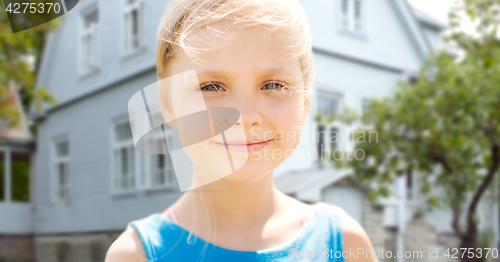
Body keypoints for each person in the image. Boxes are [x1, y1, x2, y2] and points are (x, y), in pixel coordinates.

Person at [106, 0, 376, 261]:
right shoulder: (137, 255)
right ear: (167, 103)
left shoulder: (344, 243)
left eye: (273, 85)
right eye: (211, 87)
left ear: (305, 100)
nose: (246, 117)